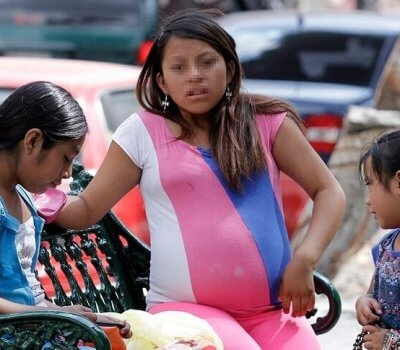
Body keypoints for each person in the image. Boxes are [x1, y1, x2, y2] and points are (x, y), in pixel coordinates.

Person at [55, 8, 346, 350]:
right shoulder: (142, 132)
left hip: (272, 311)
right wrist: (30, 196)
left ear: (230, 68)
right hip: (186, 312)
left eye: (207, 62)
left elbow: (329, 191)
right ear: (161, 80)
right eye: (178, 67)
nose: (194, 76)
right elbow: (88, 207)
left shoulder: (268, 122)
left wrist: (305, 259)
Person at [0, 81, 131, 342]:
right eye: (66, 157)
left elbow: (29, 290)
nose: (67, 173)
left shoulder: (23, 196)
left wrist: (81, 316)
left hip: (36, 333)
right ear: (33, 140)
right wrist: (55, 314)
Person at [355, 130, 400, 350]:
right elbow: (372, 292)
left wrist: (391, 341)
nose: (367, 200)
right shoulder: (385, 247)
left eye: (370, 184)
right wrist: (364, 303)